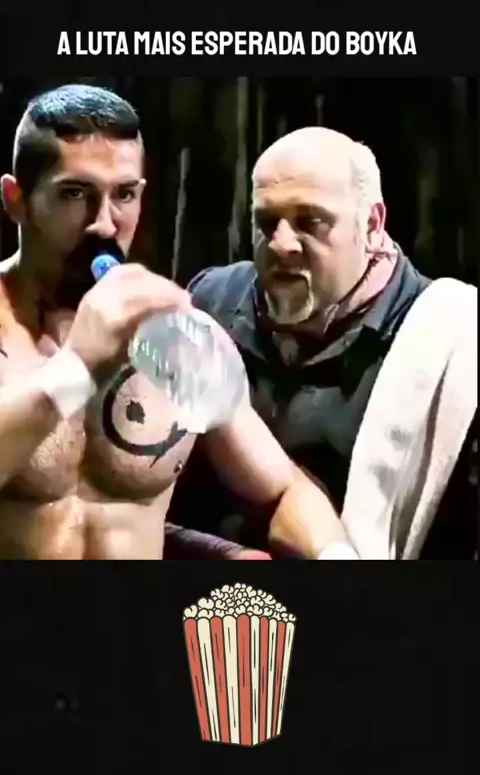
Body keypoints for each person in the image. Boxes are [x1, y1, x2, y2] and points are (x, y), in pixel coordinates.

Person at [0, 85, 352, 561]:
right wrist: (76, 367)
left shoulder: (178, 337)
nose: (105, 224)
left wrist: (339, 561)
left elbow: (282, 490)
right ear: (16, 199)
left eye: (124, 194)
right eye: (75, 193)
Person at [171, 127, 477, 559]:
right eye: (266, 222)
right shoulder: (208, 303)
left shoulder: (455, 343)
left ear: (372, 225)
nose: (281, 244)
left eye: (310, 221)